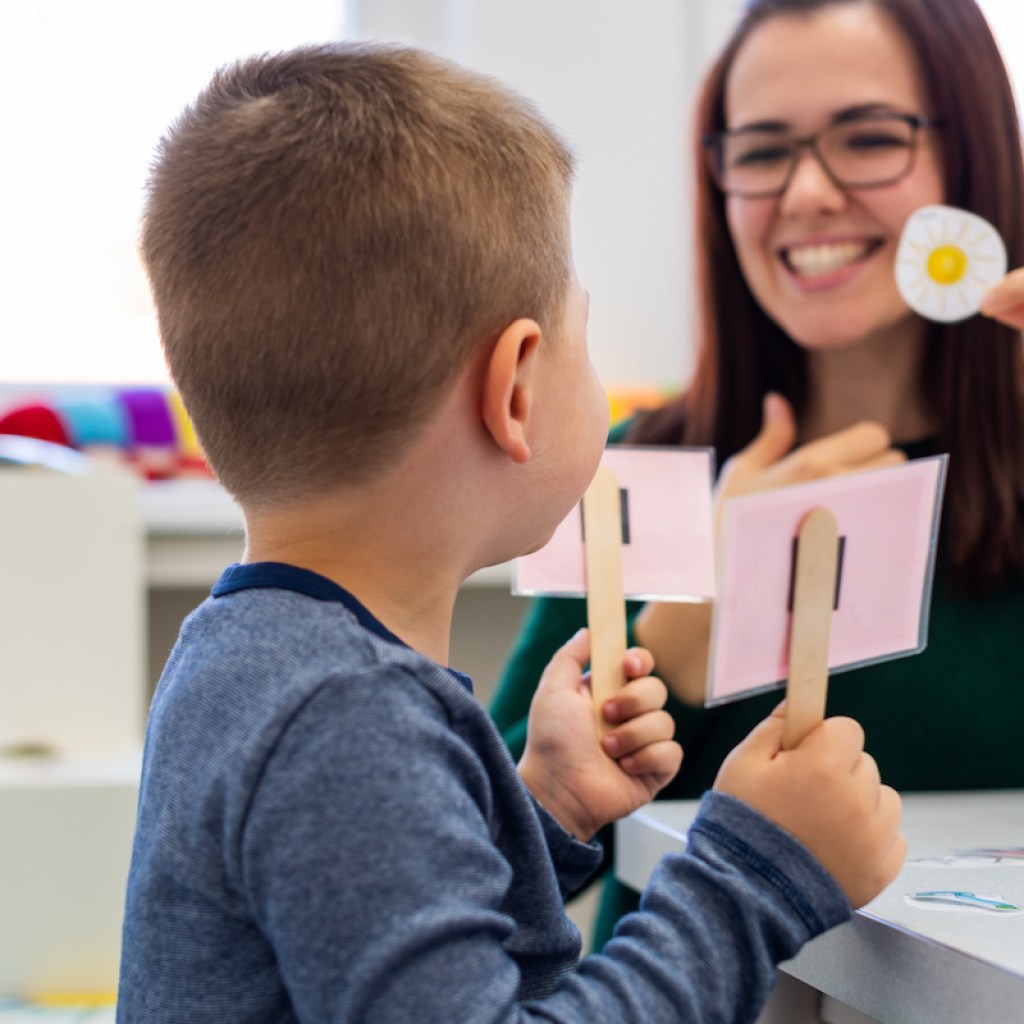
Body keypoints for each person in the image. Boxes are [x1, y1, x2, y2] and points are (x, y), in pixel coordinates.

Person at [116, 41, 905, 1024]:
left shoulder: (245, 658)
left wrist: (542, 812)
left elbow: (359, 935)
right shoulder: (349, 716)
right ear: (517, 387)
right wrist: (755, 874)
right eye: (584, 332)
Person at [491, 0, 1024, 950]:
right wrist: (686, 624)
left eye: (870, 139)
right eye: (764, 150)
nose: (807, 193)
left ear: (976, 156)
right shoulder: (626, 470)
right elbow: (476, 871)